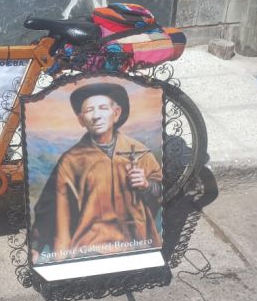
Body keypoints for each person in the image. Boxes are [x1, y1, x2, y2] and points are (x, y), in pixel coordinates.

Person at [31, 82, 162, 263]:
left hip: (136, 242)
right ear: (81, 119)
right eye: (89, 110)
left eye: (102, 108)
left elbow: (162, 190)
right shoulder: (71, 161)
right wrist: (36, 246)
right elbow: (50, 204)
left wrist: (147, 185)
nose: (96, 116)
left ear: (116, 113)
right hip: (90, 247)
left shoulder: (140, 153)